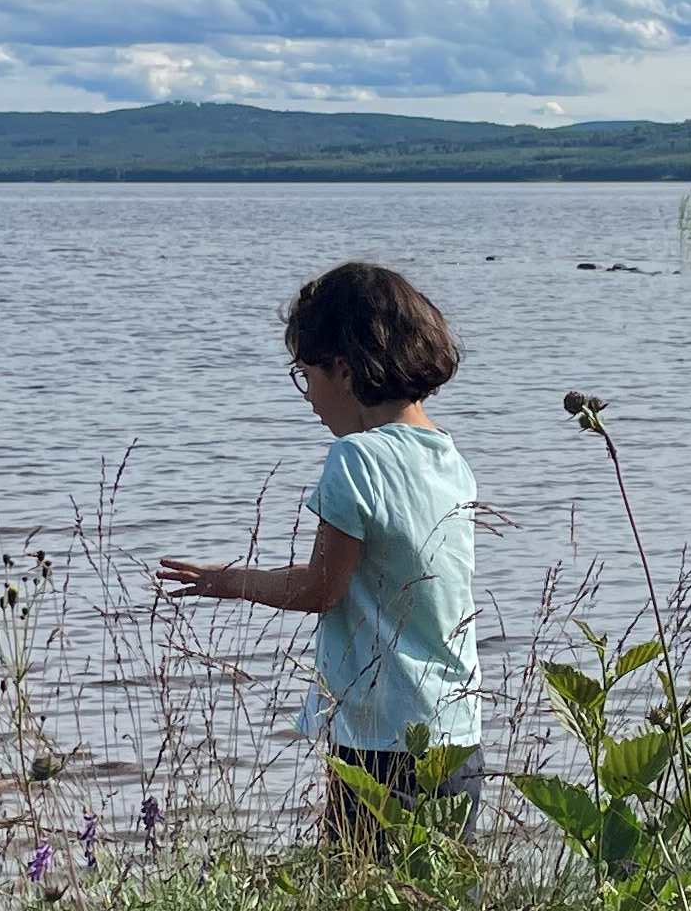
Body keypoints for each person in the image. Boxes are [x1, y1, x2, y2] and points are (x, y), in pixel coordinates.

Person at [156, 260, 482, 844]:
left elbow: (321, 589)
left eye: (305, 376)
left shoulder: (355, 459)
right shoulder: (448, 457)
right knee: (443, 891)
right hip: (457, 732)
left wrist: (225, 581)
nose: (308, 398)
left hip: (382, 740)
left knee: (365, 893)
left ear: (344, 369)